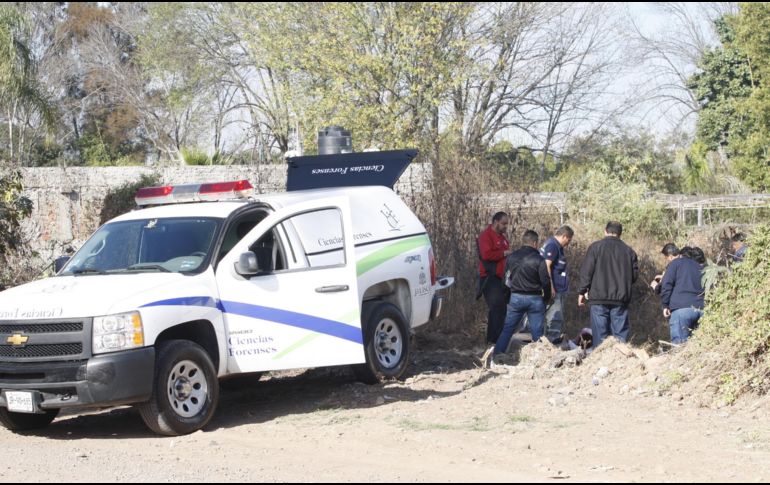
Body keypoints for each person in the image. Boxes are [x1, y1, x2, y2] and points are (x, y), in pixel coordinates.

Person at [578, 221, 639, 349]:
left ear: (605, 231)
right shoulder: (629, 251)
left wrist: (582, 291)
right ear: (620, 234)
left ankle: (601, 364)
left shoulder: (595, 247)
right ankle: (620, 362)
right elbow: (633, 277)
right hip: (621, 299)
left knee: (600, 337)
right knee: (620, 337)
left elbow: (586, 271)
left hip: (598, 298)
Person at [492, 230, 551, 359]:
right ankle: (539, 359)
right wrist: (545, 299)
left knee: (507, 330)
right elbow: (545, 282)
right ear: (535, 243)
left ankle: (496, 356)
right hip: (535, 299)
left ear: (523, 242)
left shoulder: (511, 257)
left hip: (516, 297)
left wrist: (507, 297)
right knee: (537, 333)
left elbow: (505, 280)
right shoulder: (539, 259)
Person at [477, 212, 512, 344]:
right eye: (503, 223)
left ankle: (498, 339)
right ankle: (493, 340)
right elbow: (486, 255)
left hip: (501, 278)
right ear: (495, 222)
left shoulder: (502, 237)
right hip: (489, 278)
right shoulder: (486, 236)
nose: (505, 226)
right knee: (497, 307)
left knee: (502, 308)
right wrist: (504, 253)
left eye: (506, 224)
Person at [659, 246, 706, 344]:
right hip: (701, 309)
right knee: (698, 346)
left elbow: (666, 285)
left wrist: (665, 305)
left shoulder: (676, 263)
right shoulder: (701, 267)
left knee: (679, 346)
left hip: (681, 310)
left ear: (681, 255)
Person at [539, 225, 574, 344]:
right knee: (555, 317)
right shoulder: (553, 246)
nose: (568, 243)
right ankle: (552, 342)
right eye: (568, 240)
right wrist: (551, 286)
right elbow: (546, 265)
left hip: (557, 287)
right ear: (564, 236)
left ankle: (548, 340)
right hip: (555, 289)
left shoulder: (554, 245)